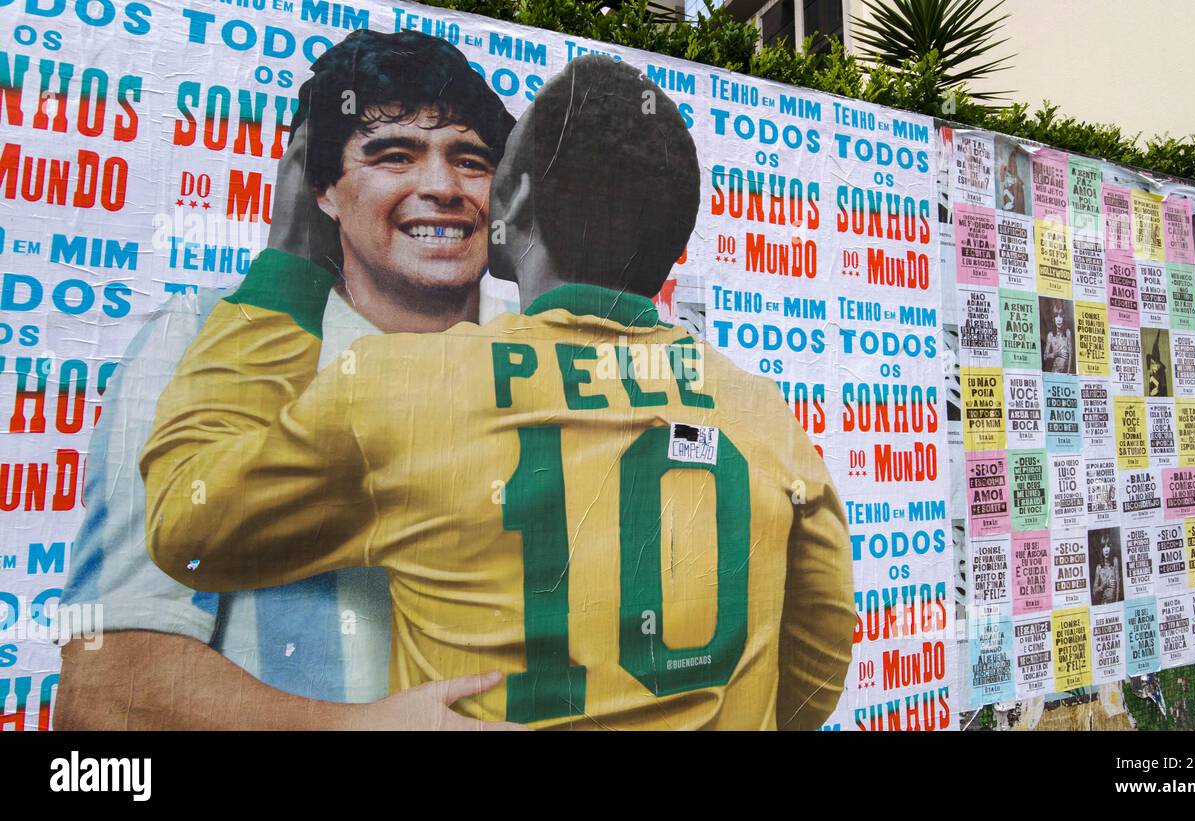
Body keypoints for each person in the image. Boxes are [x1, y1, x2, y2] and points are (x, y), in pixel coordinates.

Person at [141, 55, 855, 730]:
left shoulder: (395, 386)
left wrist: (287, 270)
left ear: (511, 199)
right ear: (675, 232)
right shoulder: (764, 413)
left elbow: (186, 524)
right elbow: (818, 668)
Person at [58, 29, 521, 730]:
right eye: (394, 153)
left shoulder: (543, 363)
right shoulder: (204, 338)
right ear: (321, 188)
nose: (441, 186)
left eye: (471, 159)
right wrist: (357, 727)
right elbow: (105, 694)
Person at [1042, 302, 1073, 373]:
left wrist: (1068, 373)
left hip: (1066, 374)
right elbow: (1045, 356)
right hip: (1055, 373)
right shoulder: (1051, 335)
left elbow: (1071, 355)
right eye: (1056, 316)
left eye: (1061, 316)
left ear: (1064, 317)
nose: (1059, 319)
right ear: (1053, 318)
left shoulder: (1067, 333)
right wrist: (1055, 354)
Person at [1092, 533, 1120, 605]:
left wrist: (1117, 603)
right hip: (1104, 605)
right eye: (1103, 547)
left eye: (1108, 546)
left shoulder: (1114, 561)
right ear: (1101, 549)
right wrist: (1104, 585)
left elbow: (1118, 587)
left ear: (1111, 547)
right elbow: (1094, 591)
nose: (1106, 550)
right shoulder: (1099, 568)